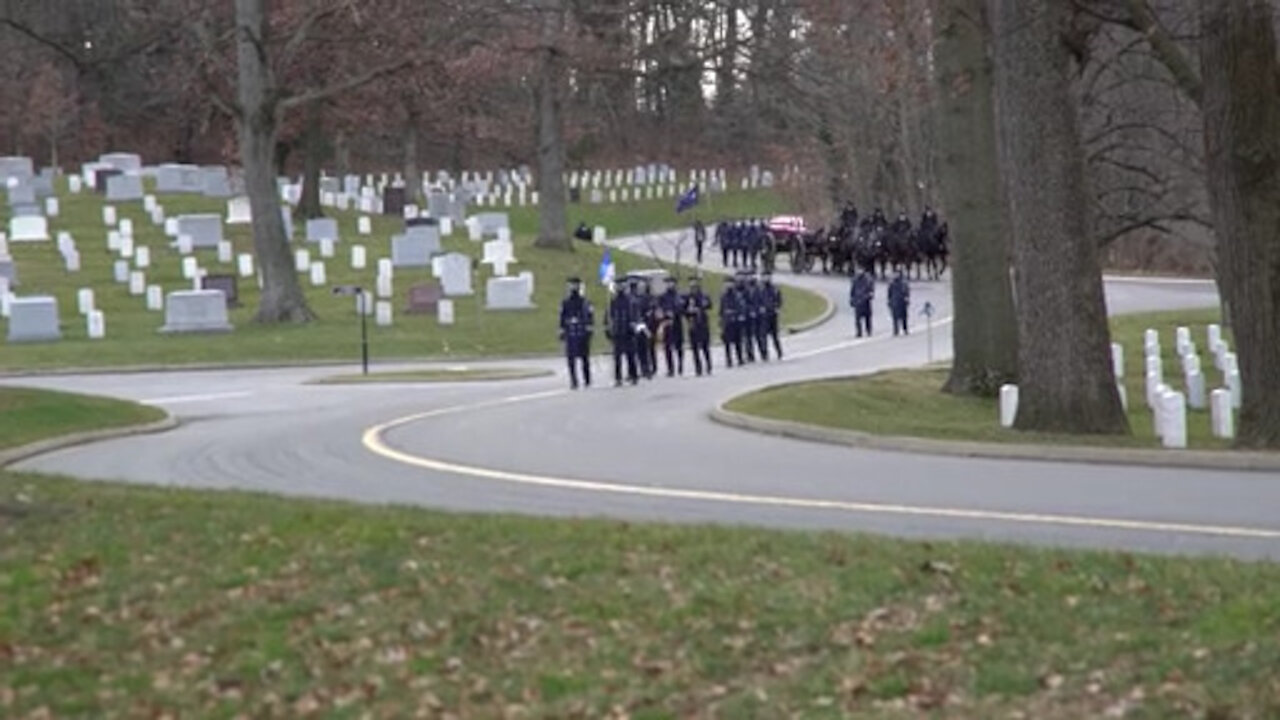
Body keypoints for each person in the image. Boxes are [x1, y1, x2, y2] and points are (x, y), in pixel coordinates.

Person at [559, 277, 594, 389]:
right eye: (571, 285)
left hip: (582, 333)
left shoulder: (585, 302)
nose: (573, 287)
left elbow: (589, 316)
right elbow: (562, 317)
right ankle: (574, 381)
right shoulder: (565, 302)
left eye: (575, 285)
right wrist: (562, 330)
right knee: (571, 360)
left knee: (584, 358)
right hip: (571, 333)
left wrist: (589, 329)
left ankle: (587, 379)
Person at [606, 278, 639, 386]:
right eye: (617, 286)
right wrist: (609, 329)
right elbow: (609, 316)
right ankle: (618, 378)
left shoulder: (630, 300)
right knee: (617, 357)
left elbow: (635, 315)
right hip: (618, 332)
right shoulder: (613, 301)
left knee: (630, 355)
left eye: (621, 285)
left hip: (628, 332)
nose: (619, 288)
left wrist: (634, 325)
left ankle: (633, 376)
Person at [684, 276, 713, 376]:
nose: (693, 286)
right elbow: (683, 309)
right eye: (691, 284)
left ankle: (708, 365)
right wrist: (688, 311)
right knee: (695, 348)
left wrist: (702, 306)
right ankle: (698, 368)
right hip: (692, 324)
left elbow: (709, 305)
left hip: (703, 323)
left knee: (705, 346)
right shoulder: (687, 297)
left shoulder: (703, 295)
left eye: (694, 284)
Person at [657, 276, 686, 376]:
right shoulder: (662, 297)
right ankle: (670, 368)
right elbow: (659, 310)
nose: (670, 284)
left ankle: (680, 366)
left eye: (672, 283)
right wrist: (665, 314)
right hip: (667, 324)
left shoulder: (679, 296)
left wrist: (676, 312)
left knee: (679, 346)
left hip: (677, 323)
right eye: (668, 283)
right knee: (667, 347)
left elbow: (682, 309)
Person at [719, 274, 744, 368]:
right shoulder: (723, 296)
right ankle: (728, 359)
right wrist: (721, 320)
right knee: (727, 342)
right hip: (727, 321)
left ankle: (740, 358)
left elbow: (740, 307)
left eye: (730, 283)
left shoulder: (737, 295)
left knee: (738, 341)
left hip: (736, 320)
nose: (728, 285)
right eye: (726, 283)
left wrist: (735, 313)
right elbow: (721, 309)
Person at [759, 272, 783, 360]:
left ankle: (779, 352)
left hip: (773, 314)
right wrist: (760, 308)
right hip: (764, 316)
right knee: (763, 335)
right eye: (764, 276)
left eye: (767, 276)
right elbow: (757, 300)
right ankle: (764, 353)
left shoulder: (774, 289)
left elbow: (779, 299)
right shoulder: (760, 289)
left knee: (775, 335)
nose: (766, 278)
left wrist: (777, 307)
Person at [850, 269, 875, 337]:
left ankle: (868, 330)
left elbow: (871, 290)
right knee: (858, 318)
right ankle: (859, 332)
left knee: (867, 317)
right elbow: (852, 290)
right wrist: (852, 300)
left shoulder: (868, 279)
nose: (859, 272)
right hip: (858, 301)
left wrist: (870, 295)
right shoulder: (855, 280)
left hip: (866, 301)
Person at [889, 271, 910, 336]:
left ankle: (905, 329)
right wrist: (890, 301)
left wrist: (906, 298)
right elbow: (889, 293)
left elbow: (907, 291)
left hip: (902, 302)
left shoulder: (903, 283)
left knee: (904, 317)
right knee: (895, 317)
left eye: (897, 274)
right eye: (895, 274)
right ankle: (896, 330)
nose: (896, 275)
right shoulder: (892, 283)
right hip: (894, 302)